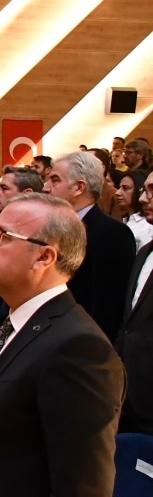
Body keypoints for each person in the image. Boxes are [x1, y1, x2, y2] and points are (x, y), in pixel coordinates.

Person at [0, 194, 125, 496]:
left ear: (44, 257)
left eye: (3, 237)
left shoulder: (80, 348)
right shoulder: (16, 321)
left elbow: (83, 484)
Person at [43, 151, 135, 339]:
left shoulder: (113, 234)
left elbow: (107, 308)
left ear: (79, 188)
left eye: (55, 180)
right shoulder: (47, 228)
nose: (45, 188)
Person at [117, 174, 153, 435]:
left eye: (151, 191)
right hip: (128, 395)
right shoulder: (144, 252)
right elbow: (128, 323)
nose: (142, 199)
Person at [116, 169, 153, 252]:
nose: (118, 193)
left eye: (125, 188)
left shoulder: (147, 226)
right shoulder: (125, 220)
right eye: (119, 187)